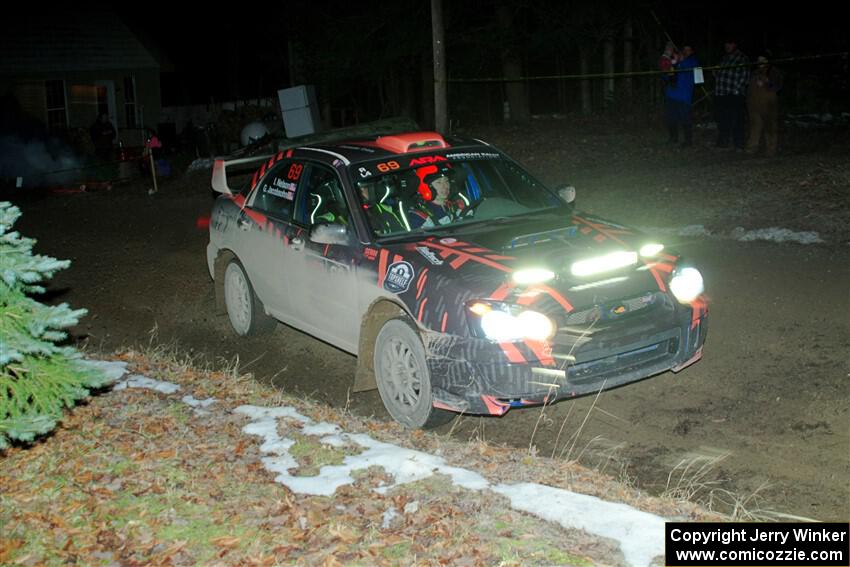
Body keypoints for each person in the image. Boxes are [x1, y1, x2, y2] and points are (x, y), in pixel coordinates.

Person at [713, 39, 750, 150]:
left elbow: (745, 77)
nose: (727, 46)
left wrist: (736, 91)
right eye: (726, 43)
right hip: (721, 94)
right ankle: (722, 143)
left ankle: (738, 144)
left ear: (734, 44)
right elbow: (720, 75)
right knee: (722, 120)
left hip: (734, 95)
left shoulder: (742, 58)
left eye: (729, 43)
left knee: (737, 120)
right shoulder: (724, 58)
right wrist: (715, 74)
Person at [746, 54, 783, 156]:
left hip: (769, 104)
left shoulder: (774, 72)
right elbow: (748, 88)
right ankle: (752, 148)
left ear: (768, 60)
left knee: (770, 127)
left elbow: (778, 86)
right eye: (759, 60)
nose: (760, 62)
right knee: (754, 127)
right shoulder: (754, 72)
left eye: (763, 60)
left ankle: (771, 150)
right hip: (754, 105)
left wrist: (767, 83)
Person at [664, 45, 699, 147]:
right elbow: (666, 76)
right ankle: (673, 138)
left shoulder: (693, 61)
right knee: (670, 117)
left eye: (688, 50)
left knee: (685, 119)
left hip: (684, 96)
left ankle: (688, 141)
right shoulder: (675, 62)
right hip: (671, 95)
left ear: (692, 52)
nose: (685, 51)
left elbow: (692, 70)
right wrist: (672, 64)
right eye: (684, 49)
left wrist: (680, 61)